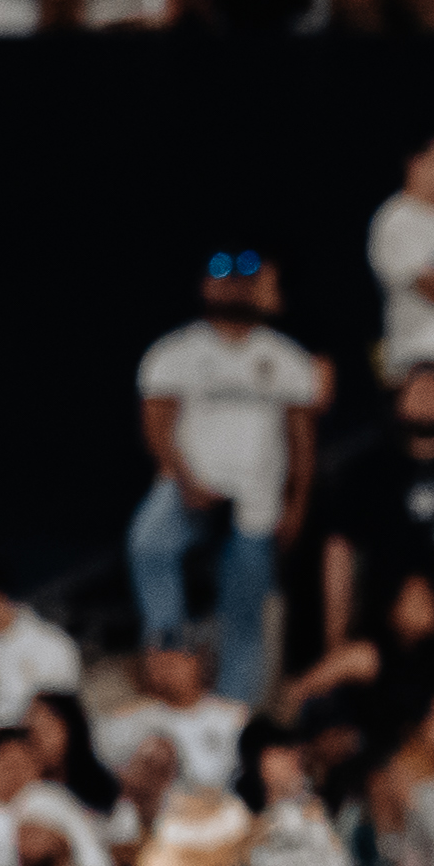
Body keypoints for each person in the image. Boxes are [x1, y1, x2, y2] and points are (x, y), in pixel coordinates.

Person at [127, 254, 325, 707]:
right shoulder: (175, 351)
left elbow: (301, 440)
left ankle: (233, 714)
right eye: (223, 277)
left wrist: (296, 504)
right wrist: (184, 479)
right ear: (205, 285)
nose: (234, 287)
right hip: (190, 486)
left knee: (245, 614)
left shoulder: (286, 357)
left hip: (256, 499)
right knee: (147, 543)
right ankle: (169, 649)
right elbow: (156, 424)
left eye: (246, 279)